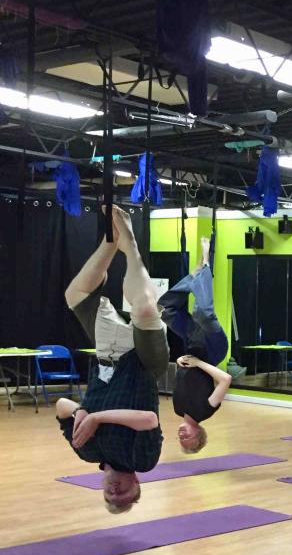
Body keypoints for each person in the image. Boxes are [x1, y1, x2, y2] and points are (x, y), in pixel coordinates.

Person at [55, 206, 167, 514]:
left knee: (75, 294)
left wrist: (79, 412)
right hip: (144, 363)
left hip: (108, 354)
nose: (114, 491)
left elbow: (61, 406)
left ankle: (110, 241)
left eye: (109, 497)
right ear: (136, 485)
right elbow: (149, 420)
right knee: (144, 309)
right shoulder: (142, 462)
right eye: (123, 495)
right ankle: (129, 245)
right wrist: (96, 418)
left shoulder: (86, 451)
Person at [157, 236, 231, 453]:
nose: (182, 436)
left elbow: (184, 373)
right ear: (199, 433)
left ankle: (194, 275)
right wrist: (199, 363)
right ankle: (206, 264)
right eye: (187, 439)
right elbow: (225, 379)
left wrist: (181, 361)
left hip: (193, 346)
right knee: (203, 313)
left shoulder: (177, 409)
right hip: (214, 349)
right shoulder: (205, 411)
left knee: (164, 309)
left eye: (181, 440)